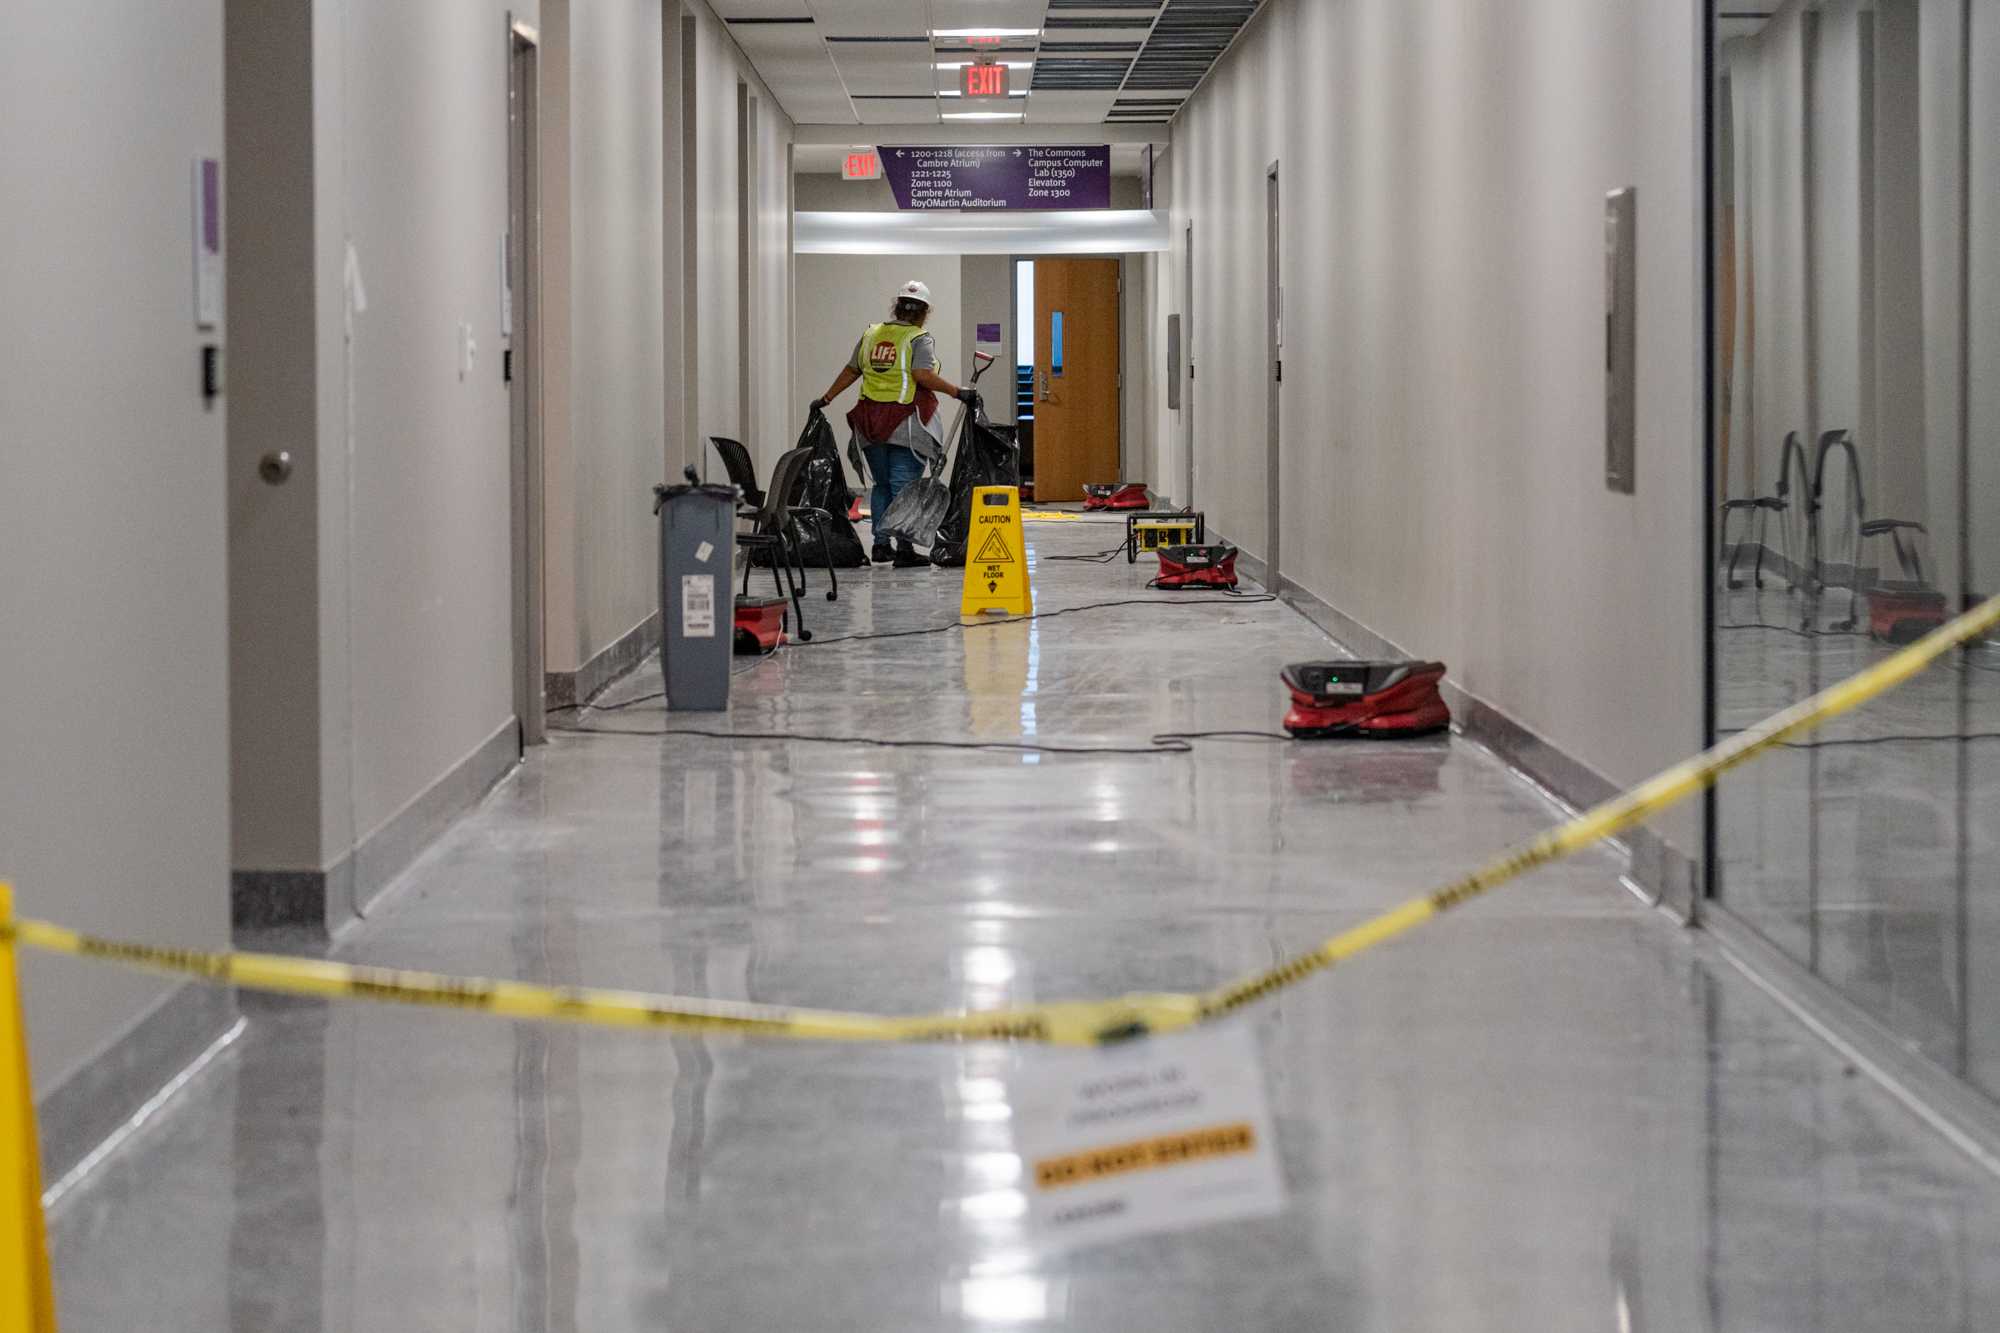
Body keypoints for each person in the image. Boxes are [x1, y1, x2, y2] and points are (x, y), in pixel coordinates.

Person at [811, 279, 979, 567]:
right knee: (905, 487)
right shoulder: (918, 338)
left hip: (868, 423)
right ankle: (903, 549)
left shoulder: (871, 334)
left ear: (897, 307)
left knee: (882, 485)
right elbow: (921, 375)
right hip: (905, 423)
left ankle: (880, 546)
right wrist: (958, 392)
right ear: (925, 311)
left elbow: (852, 370)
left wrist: (826, 398)